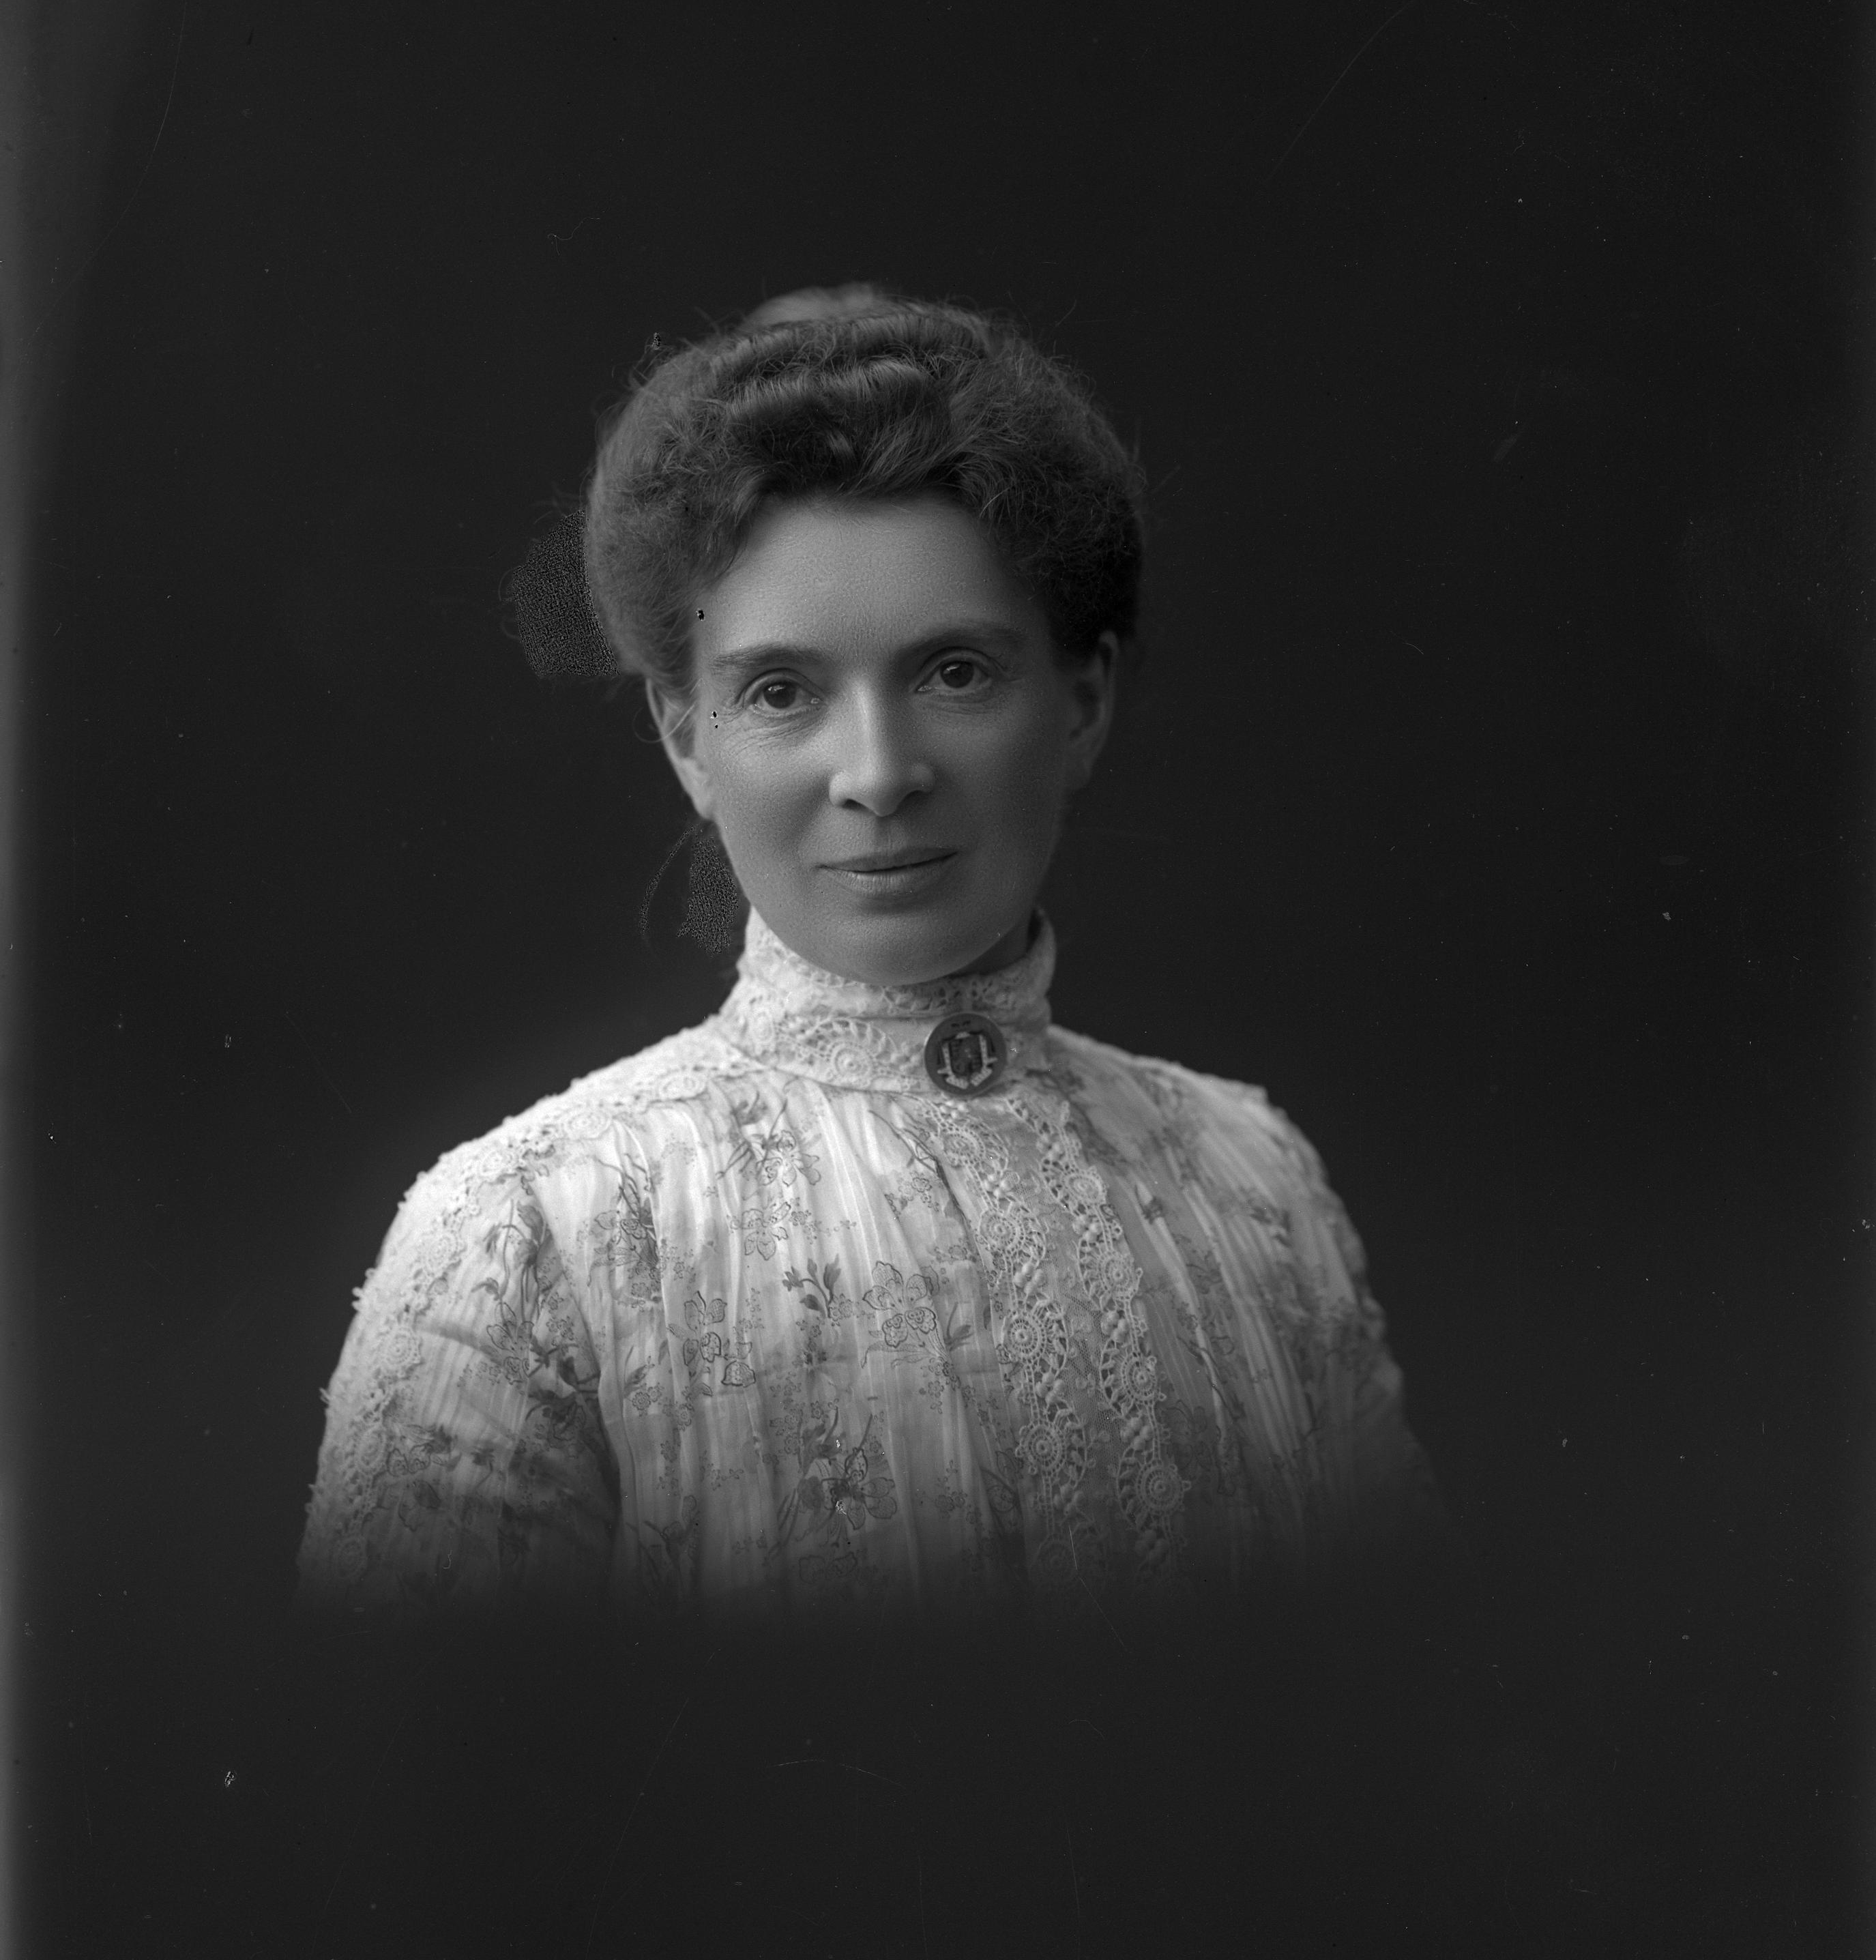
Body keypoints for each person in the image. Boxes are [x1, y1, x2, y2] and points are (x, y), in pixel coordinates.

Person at [297, 287, 1439, 1618]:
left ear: (1081, 701)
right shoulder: (528, 1231)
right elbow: (408, 1750)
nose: (881, 773)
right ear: (686, 739)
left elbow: (1412, 1697)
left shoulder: (1255, 1180)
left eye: (953, 672)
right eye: (781, 691)